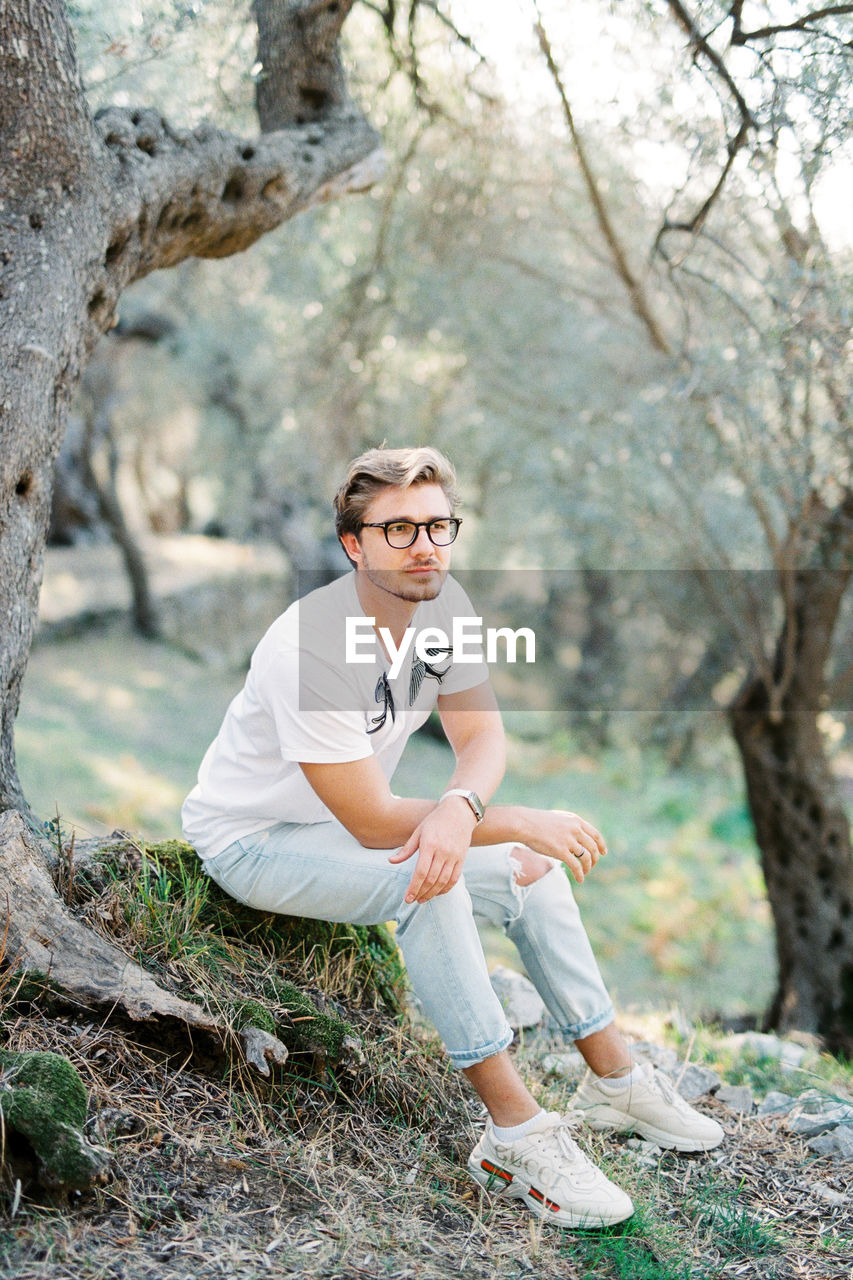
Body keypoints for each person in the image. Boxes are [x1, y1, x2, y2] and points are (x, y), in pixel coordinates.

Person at [182, 445, 723, 1230]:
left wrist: (459, 808)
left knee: (531, 870)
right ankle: (515, 1134)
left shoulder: (442, 607)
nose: (424, 545)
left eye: (437, 525)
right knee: (427, 880)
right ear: (352, 544)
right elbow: (369, 821)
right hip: (256, 840)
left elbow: (482, 739)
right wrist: (494, 819)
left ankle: (614, 1083)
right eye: (397, 529)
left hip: (357, 826)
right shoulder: (314, 647)